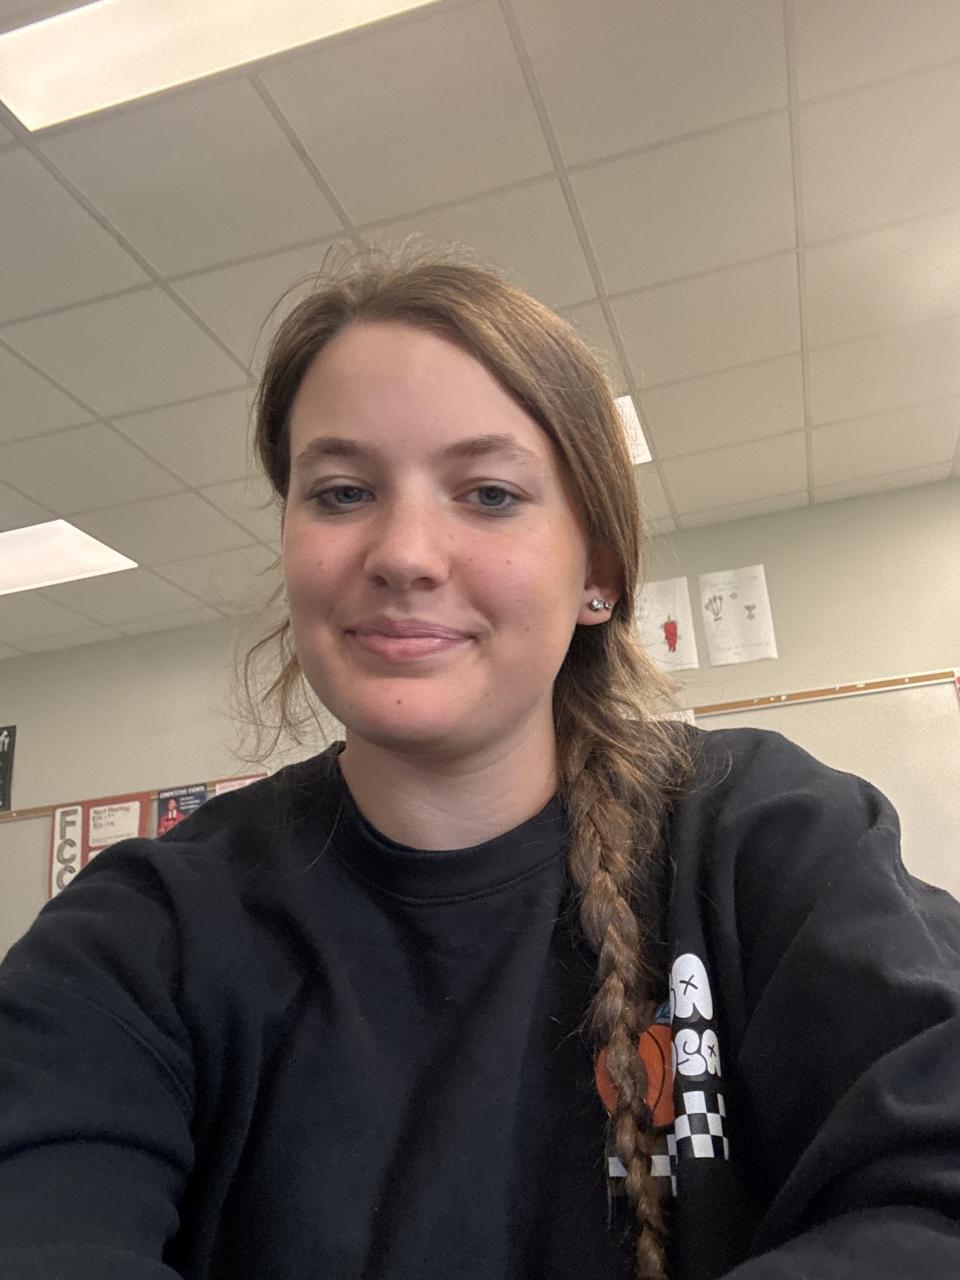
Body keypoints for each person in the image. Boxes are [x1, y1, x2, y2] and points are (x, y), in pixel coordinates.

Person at [0, 242, 958, 1280]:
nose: (404, 553)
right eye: (341, 491)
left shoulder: (771, 839)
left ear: (598, 575)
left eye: (491, 493)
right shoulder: (143, 932)